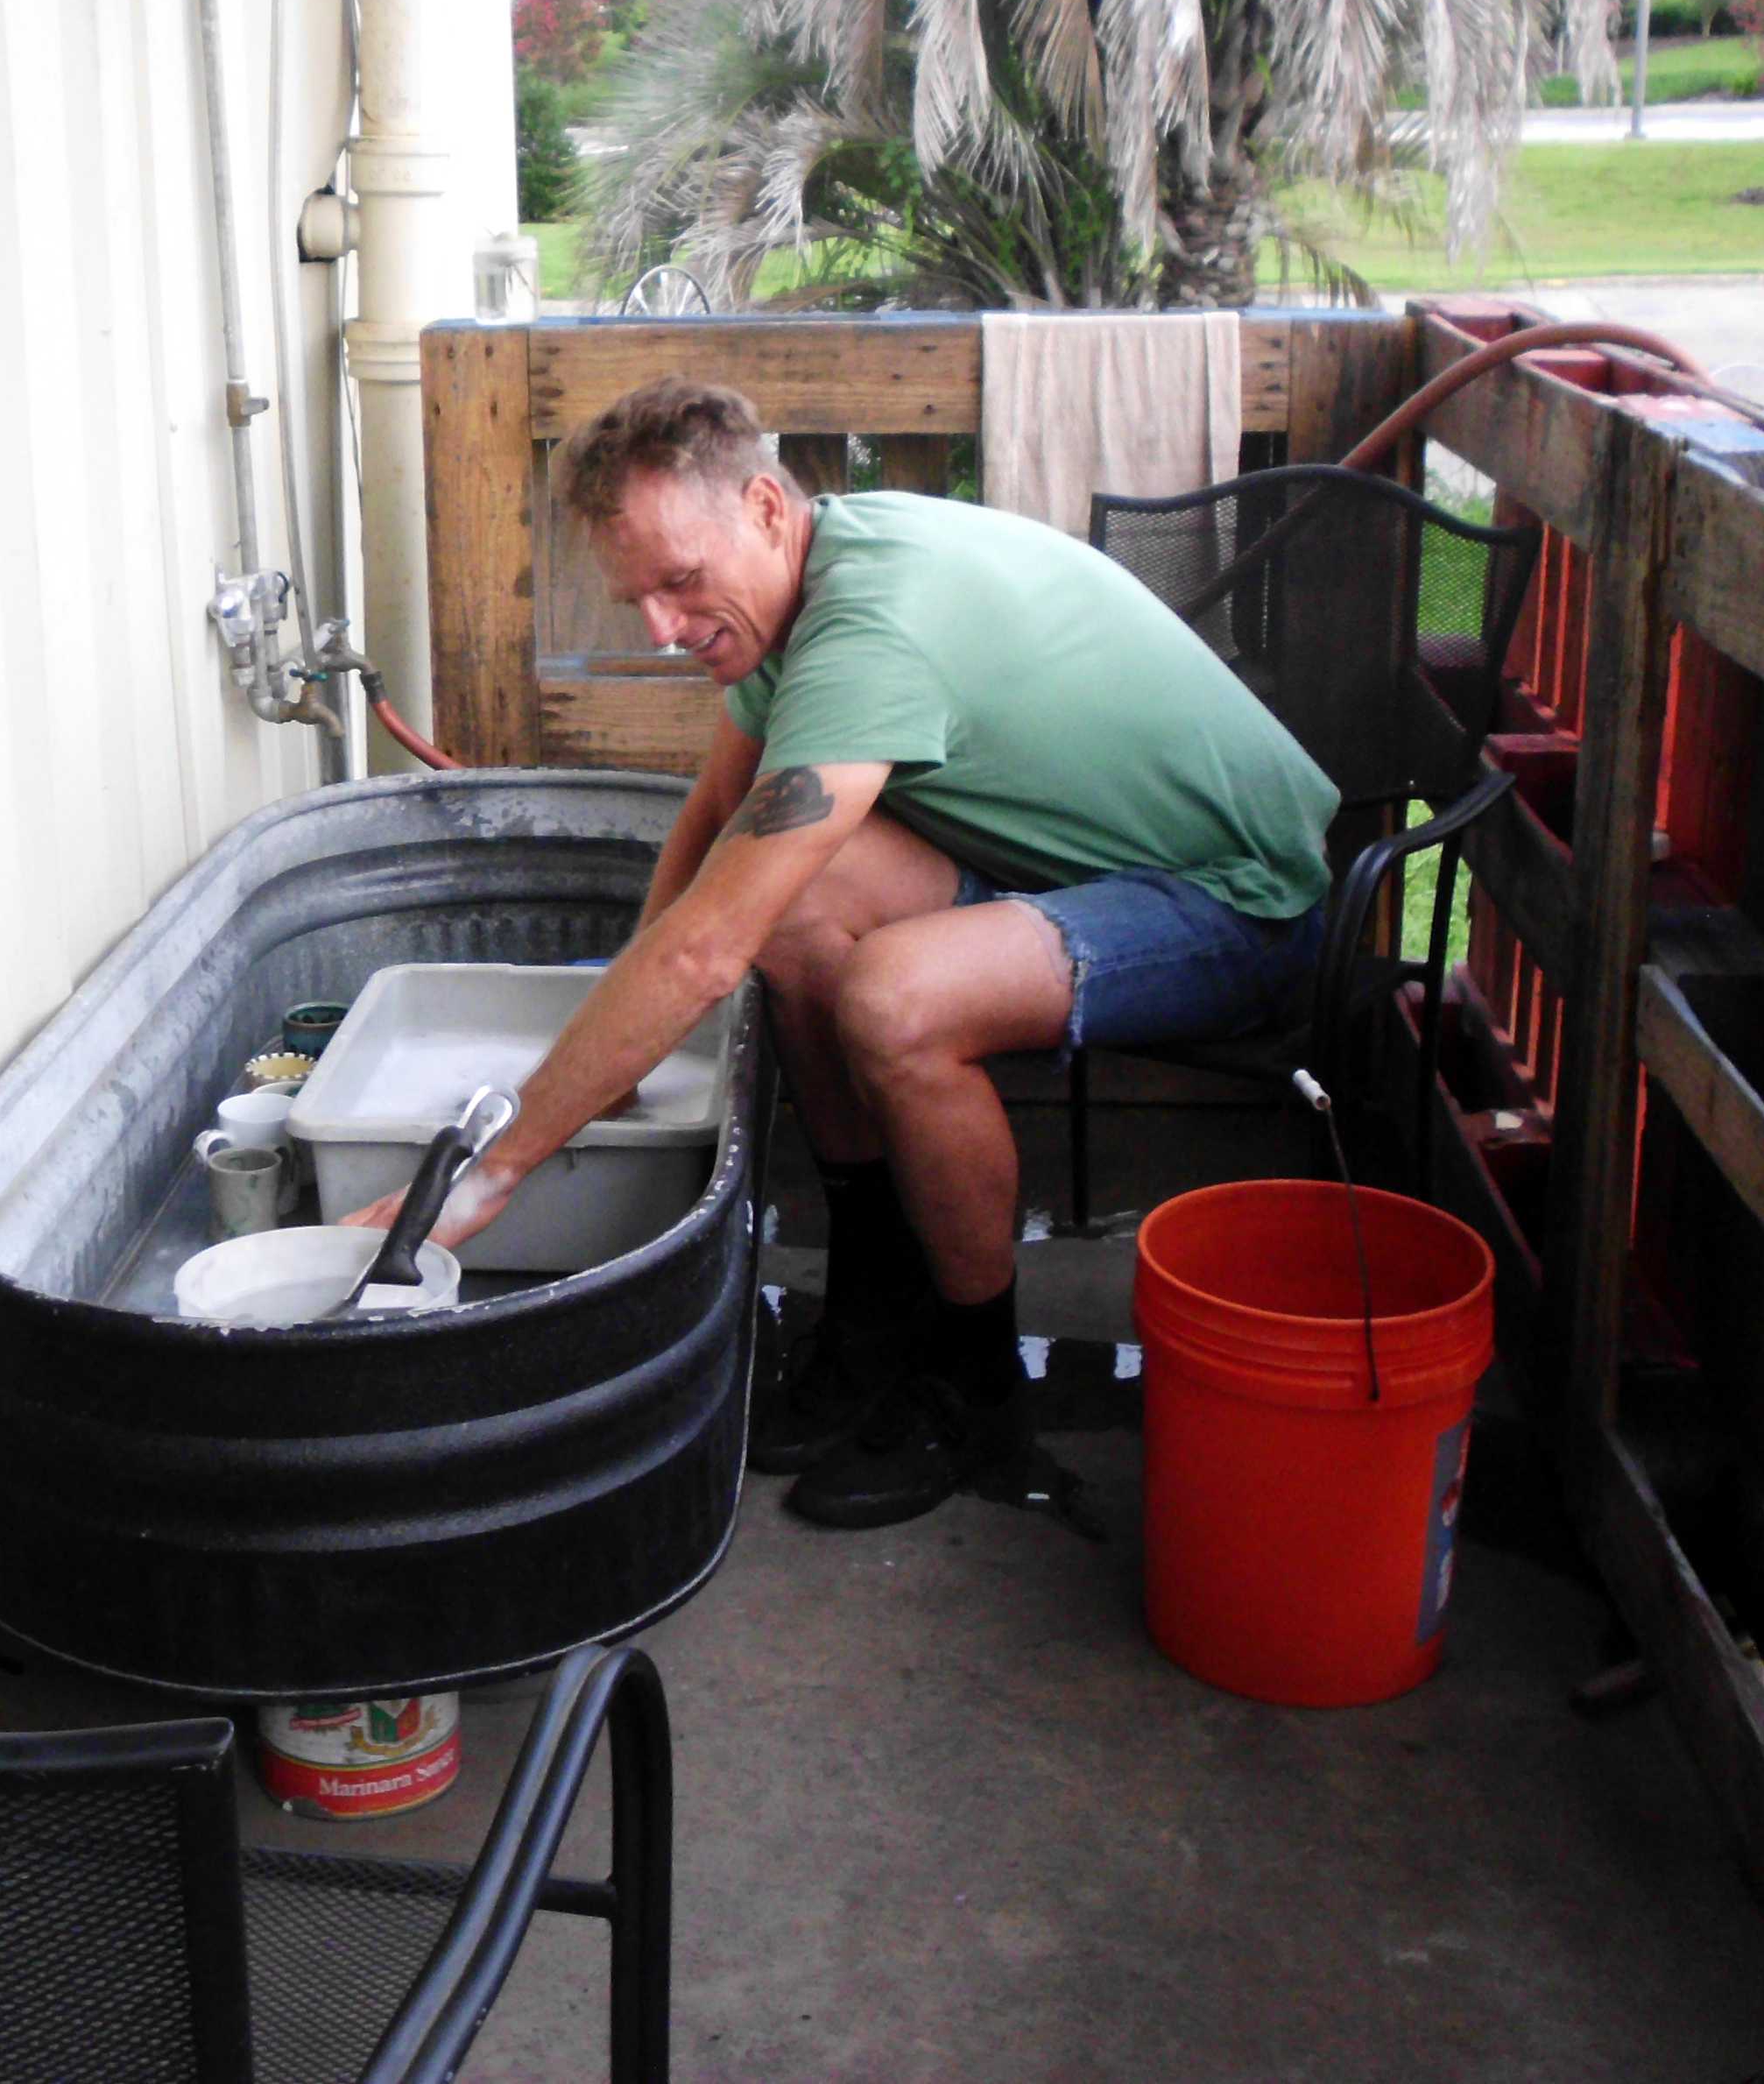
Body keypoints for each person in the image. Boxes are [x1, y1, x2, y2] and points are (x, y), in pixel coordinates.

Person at [354, 377, 1337, 1529]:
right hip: (1080, 866)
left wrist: (494, 1171)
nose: (664, 631)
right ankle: (877, 1305)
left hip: (1238, 905)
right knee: (798, 897)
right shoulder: (798, 580)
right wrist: (610, 1044)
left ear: (765, 508)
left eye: (680, 583)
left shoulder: (872, 631)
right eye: (639, 601)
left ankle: (976, 1394)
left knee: (892, 1000)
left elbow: (704, 954)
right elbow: (713, 839)